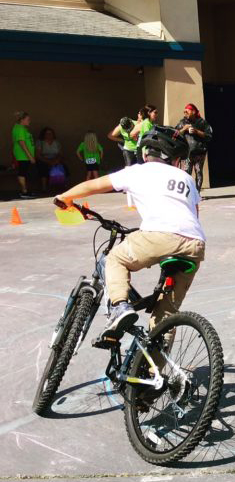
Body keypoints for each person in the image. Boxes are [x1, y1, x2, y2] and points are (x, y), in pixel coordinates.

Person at [53, 126, 205, 345]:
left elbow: (95, 184)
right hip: (194, 244)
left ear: (145, 154)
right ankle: (156, 374)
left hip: (159, 235)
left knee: (113, 259)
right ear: (173, 158)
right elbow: (194, 215)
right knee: (166, 314)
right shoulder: (186, 178)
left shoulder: (137, 171)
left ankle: (119, 307)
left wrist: (65, 197)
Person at [174, 103, 212, 191]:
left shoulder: (202, 122)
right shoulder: (182, 122)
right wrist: (184, 129)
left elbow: (209, 136)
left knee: (198, 172)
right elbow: (174, 134)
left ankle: (197, 192)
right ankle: (187, 192)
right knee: (186, 174)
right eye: (184, 112)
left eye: (187, 111)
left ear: (193, 112)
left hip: (199, 152)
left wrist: (196, 131)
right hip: (186, 153)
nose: (185, 113)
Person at [11, 111, 35, 198]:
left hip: (24, 156)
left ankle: (26, 191)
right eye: (28, 119)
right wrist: (30, 156)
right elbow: (22, 143)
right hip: (22, 155)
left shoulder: (22, 128)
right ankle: (24, 192)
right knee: (22, 172)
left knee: (25, 173)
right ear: (22, 120)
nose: (29, 121)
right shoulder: (20, 128)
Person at [37, 127, 67, 192]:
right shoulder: (40, 142)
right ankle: (44, 187)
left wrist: (56, 160)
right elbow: (38, 155)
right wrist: (48, 161)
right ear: (43, 134)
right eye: (47, 133)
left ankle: (62, 185)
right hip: (44, 159)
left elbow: (60, 154)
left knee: (63, 166)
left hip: (56, 159)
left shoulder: (56, 142)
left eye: (50, 133)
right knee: (42, 167)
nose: (49, 135)